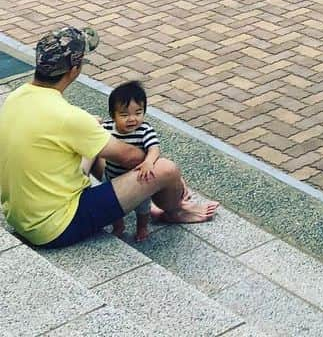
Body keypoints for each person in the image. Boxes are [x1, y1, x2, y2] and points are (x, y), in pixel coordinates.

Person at [0, 26, 217, 249]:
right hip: (55, 226)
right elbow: (132, 158)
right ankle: (175, 210)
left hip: (20, 216)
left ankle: (146, 197)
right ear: (75, 69)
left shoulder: (15, 97)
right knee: (165, 170)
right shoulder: (68, 117)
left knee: (94, 135)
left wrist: (93, 131)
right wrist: (169, 180)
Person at [98, 81, 160, 243]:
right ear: (113, 115)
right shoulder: (108, 128)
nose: (132, 119)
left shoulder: (144, 130)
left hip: (138, 179)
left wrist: (149, 162)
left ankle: (142, 227)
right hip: (111, 177)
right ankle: (118, 226)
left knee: (143, 207)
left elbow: (154, 148)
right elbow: (94, 134)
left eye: (138, 113)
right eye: (124, 115)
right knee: (111, 206)